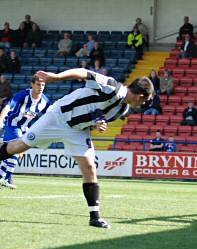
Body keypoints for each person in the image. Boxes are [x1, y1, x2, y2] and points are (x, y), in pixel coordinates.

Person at [0, 68, 155, 228]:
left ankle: (95, 217)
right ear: (140, 95)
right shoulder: (113, 87)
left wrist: (98, 124)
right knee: (18, 147)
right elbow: (83, 72)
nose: (142, 104)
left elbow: (94, 115)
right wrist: (56, 77)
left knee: (89, 168)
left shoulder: (122, 109)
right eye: (143, 101)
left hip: (78, 130)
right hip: (58, 116)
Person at [0, 75, 50, 189]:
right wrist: (0, 119)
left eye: (43, 85)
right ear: (32, 84)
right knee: (16, 150)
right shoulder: (23, 95)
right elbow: (8, 106)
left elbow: (51, 114)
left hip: (25, 129)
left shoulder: (45, 101)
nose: (41, 87)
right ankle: (8, 178)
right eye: (38, 84)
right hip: (12, 125)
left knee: (9, 154)